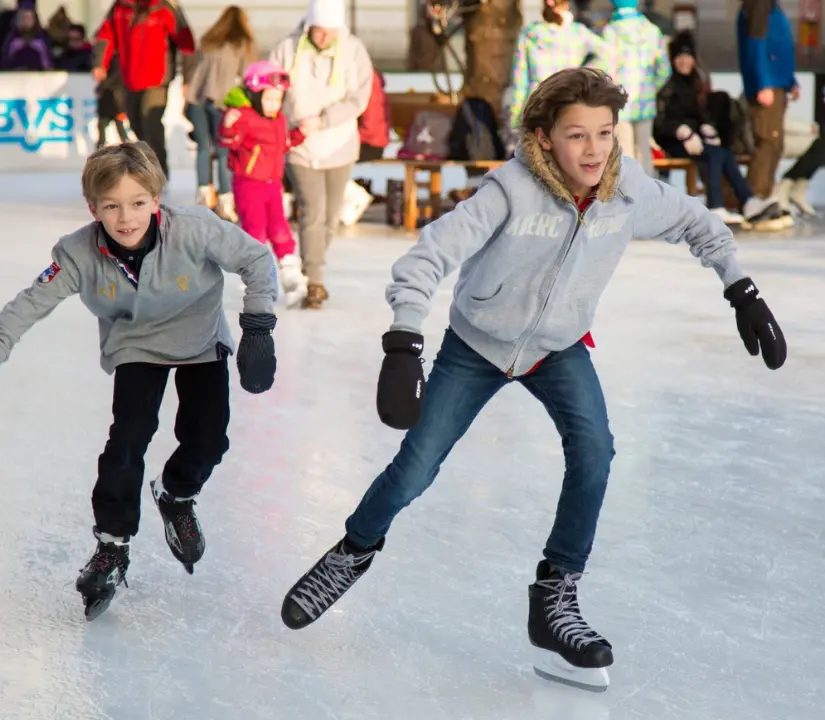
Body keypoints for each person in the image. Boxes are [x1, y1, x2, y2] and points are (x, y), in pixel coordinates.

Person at [278, 68, 787, 692]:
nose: (595, 149)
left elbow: (698, 224)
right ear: (545, 139)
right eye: (578, 136)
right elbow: (427, 255)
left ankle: (555, 596)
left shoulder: (626, 191)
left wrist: (741, 287)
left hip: (558, 347)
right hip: (477, 345)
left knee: (595, 452)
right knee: (415, 467)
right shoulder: (509, 190)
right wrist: (405, 342)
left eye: (604, 133)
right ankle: (353, 551)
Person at [0, 142, 279, 621]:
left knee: (208, 439)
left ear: (156, 199)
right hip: (135, 346)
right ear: (93, 207)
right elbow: (27, 304)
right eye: (111, 206)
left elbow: (257, 259)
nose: (126, 218)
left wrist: (258, 326)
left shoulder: (194, 229)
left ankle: (176, 493)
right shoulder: (78, 252)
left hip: (201, 341)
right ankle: (112, 544)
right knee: (127, 441)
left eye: (138, 203)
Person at [270, 0, 374, 309]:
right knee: (312, 211)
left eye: (329, 32)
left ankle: (310, 265)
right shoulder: (288, 49)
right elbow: (269, 85)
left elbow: (360, 97)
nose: (323, 38)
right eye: (318, 31)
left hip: (339, 145)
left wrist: (325, 119)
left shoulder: (353, 49)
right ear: (309, 26)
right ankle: (315, 281)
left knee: (330, 217)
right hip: (300, 145)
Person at [654, 31, 781, 227]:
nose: (684, 61)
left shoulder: (695, 83)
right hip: (673, 141)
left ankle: (748, 201)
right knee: (714, 155)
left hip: (693, 139)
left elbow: (697, 114)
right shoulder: (668, 87)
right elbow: (661, 121)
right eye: (679, 57)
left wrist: (706, 127)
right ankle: (715, 206)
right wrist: (683, 132)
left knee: (723, 153)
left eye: (687, 56)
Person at [219, 61, 310, 306]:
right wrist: (228, 125)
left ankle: (290, 273)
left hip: (272, 185)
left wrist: (299, 134)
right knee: (256, 230)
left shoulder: (279, 120)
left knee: (280, 228)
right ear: (255, 96)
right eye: (269, 99)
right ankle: (258, 278)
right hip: (249, 185)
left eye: (278, 100)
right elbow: (229, 142)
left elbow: (282, 146)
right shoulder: (245, 117)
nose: (273, 105)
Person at [92, 0, 197, 180]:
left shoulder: (164, 8)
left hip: (157, 78)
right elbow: (105, 34)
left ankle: (159, 172)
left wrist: (188, 78)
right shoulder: (120, 7)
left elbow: (186, 42)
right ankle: (148, 166)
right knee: (135, 124)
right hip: (129, 77)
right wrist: (100, 62)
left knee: (151, 122)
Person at [185, 5, 256, 221]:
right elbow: (248, 78)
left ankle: (204, 197)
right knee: (225, 153)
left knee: (204, 149)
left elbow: (196, 74)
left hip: (198, 100)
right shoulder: (242, 45)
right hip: (224, 105)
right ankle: (226, 200)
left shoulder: (209, 42)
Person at [737, 0, 798, 228]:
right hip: (767, 84)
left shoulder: (771, 5)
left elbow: (779, 45)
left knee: (776, 143)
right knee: (768, 141)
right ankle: (755, 201)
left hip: (777, 82)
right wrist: (763, 83)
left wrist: (790, 79)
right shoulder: (758, 5)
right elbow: (756, 45)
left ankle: (764, 197)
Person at [591, 0, 670, 178]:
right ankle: (648, 199)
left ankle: (627, 200)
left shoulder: (610, 31)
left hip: (619, 101)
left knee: (624, 153)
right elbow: (664, 69)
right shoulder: (651, 30)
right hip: (646, 100)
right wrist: (650, 88)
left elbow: (606, 68)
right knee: (644, 152)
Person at [507, 0, 604, 133]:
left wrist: (515, 116)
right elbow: (608, 53)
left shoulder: (530, 34)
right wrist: (583, 73)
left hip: (538, 99)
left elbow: (520, 78)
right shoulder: (578, 32)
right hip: (570, 97)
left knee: (538, 149)